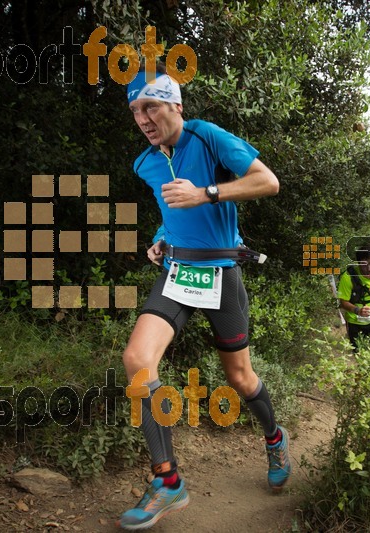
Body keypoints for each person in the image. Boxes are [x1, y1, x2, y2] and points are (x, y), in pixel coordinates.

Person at [117, 64, 291, 530]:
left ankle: (274, 436)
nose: (143, 118)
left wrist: (207, 193)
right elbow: (170, 209)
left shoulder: (208, 138)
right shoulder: (146, 162)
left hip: (220, 273)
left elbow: (267, 181)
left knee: (240, 377)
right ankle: (168, 481)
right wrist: (158, 236)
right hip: (177, 271)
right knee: (138, 359)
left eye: (151, 106)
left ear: (175, 104)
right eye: (135, 110)